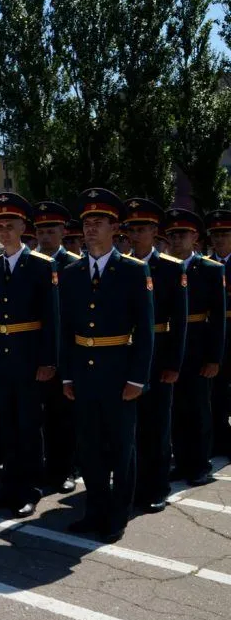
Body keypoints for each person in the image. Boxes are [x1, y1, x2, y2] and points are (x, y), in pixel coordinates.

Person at [61, 188, 153, 543]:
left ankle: (118, 514)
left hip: (119, 372)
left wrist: (137, 378)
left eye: (99, 222)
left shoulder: (133, 270)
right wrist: (67, 374)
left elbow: (145, 331)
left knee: (121, 447)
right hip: (84, 372)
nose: (90, 228)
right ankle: (94, 510)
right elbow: (66, 330)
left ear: (116, 228)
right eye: (86, 222)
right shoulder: (71, 273)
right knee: (89, 446)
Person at [0, 193, 58, 519]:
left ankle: (29, 490)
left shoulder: (42, 266)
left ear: (24, 227)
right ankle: (8, 486)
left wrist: (48, 360)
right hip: (1, 359)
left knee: (28, 427)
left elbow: (52, 318)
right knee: (6, 427)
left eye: (10, 226)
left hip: (28, 359)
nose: (4, 231)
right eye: (0, 226)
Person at [125, 198, 187, 513]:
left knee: (157, 427)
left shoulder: (171, 268)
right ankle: (131, 484)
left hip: (160, 354)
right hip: (127, 355)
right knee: (129, 428)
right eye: (131, 229)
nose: (135, 235)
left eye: (142, 229)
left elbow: (179, 321)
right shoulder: (120, 266)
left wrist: (174, 364)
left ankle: (156, 487)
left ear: (154, 231)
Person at [165, 207, 225, 486]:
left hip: (199, 345)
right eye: (173, 235)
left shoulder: (211, 270)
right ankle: (182, 460)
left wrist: (214, 358)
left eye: (183, 235)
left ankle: (200, 463)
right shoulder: (163, 268)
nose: (177, 240)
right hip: (170, 346)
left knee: (199, 408)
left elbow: (217, 319)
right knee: (175, 409)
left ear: (195, 238)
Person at [34, 201, 80, 494]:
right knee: (35, 417)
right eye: (40, 230)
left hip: (64, 352)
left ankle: (65, 469)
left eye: (51, 230)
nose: (45, 235)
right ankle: (38, 467)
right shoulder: (30, 262)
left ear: (63, 231)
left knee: (62, 417)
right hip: (33, 351)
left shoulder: (74, 265)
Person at [205, 209, 231, 460]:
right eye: (216, 235)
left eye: (224, 234)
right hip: (214, 332)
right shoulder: (207, 266)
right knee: (217, 391)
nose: (219, 239)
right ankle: (219, 439)